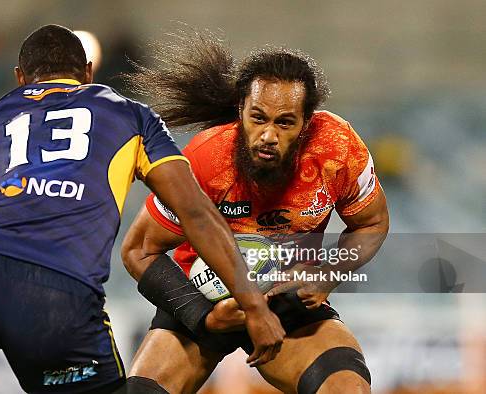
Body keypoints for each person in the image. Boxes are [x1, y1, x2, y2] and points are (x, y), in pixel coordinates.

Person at [0, 25, 284, 394]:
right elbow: (196, 215)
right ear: (88, 73)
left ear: (20, 78)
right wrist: (253, 304)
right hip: (58, 304)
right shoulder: (132, 117)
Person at [121, 31, 389, 394]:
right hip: (201, 299)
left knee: (346, 388)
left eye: (284, 123)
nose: (267, 135)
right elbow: (139, 249)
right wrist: (204, 318)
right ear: (240, 111)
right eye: (257, 118)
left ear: (306, 125)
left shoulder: (337, 149)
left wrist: (328, 273)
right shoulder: (206, 159)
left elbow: (371, 222)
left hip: (285, 301)